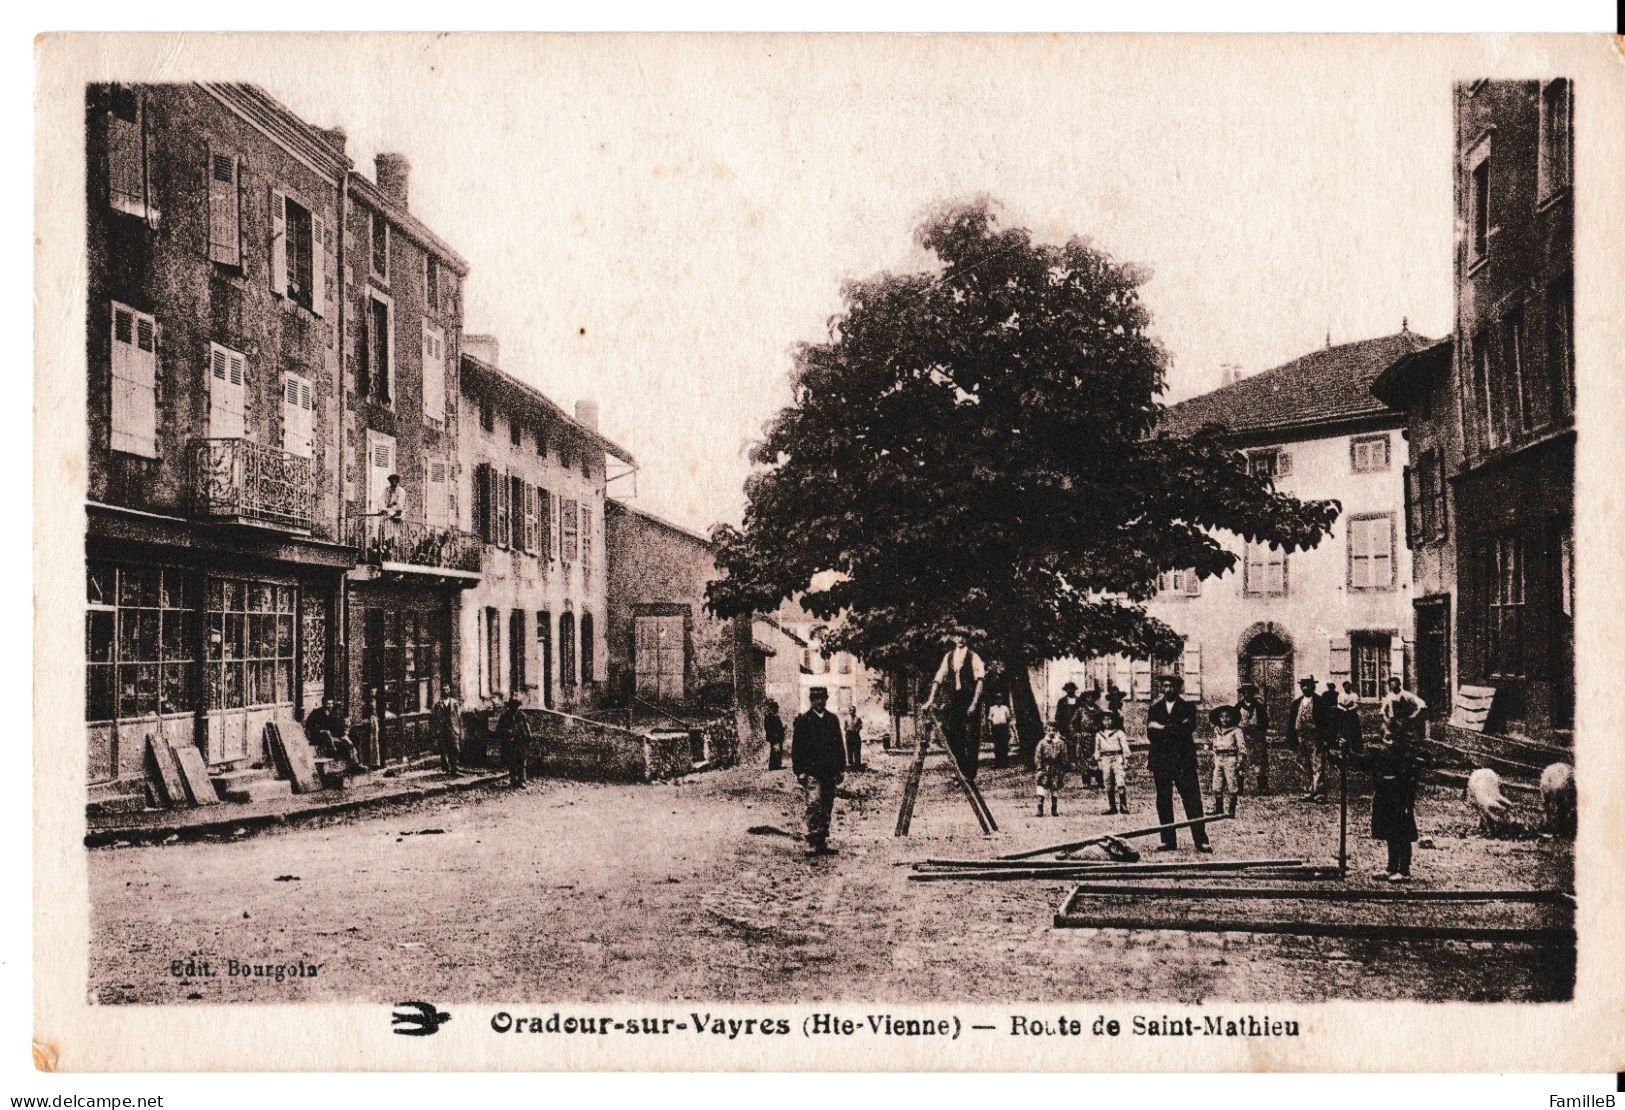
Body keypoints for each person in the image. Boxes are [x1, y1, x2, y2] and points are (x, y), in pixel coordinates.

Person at [1145, 674, 1212, 852]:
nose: (1168, 690)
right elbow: (1150, 734)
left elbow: (1186, 730)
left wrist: (1162, 728)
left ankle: (1201, 840)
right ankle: (1168, 840)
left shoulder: (1188, 707)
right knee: (1164, 800)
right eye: (1165, 686)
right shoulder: (1155, 708)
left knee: (1192, 800)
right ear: (1162, 688)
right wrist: (1173, 728)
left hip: (1184, 761)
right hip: (1161, 761)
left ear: (1179, 688)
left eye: (1172, 686)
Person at [1367, 703, 1423, 882]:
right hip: (1385, 795)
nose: (1388, 741)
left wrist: (1408, 802)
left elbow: (1410, 780)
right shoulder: (1383, 753)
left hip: (1400, 796)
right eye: (1385, 738)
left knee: (1403, 833)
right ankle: (1391, 867)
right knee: (1390, 833)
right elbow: (1366, 764)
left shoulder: (1405, 754)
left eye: (1391, 738)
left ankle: (1404, 870)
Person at [922, 629, 986, 784]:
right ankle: (961, 770)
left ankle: (969, 774)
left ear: (967, 639)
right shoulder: (949, 656)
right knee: (953, 735)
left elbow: (980, 680)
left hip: (970, 698)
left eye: (963, 637)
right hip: (955, 699)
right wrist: (930, 700)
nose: (960, 639)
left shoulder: (973, 656)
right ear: (953, 638)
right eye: (958, 636)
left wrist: (974, 703)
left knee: (971, 737)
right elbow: (938, 678)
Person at [791, 686, 846, 855]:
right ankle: (812, 840)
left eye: (821, 698)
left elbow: (839, 746)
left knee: (826, 805)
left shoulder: (832, 719)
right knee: (813, 804)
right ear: (810, 700)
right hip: (812, 771)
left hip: (829, 771)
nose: (818, 702)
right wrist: (799, 771)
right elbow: (797, 747)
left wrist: (841, 769)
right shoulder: (804, 720)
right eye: (815, 699)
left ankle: (822, 840)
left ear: (826, 699)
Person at [1286, 677, 1325, 802]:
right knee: (1304, 764)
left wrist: (1324, 739)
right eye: (1303, 685)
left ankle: (1319, 793)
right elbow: (1292, 722)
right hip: (1301, 737)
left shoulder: (1320, 702)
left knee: (1317, 764)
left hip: (1315, 737)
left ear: (1313, 687)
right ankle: (1308, 791)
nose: (1305, 688)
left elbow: (1327, 722)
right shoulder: (1296, 703)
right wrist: (1292, 739)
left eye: (1308, 685)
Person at [1208, 703, 1245, 818]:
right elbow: (1214, 744)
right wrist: (1213, 755)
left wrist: (1240, 760)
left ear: (1232, 718)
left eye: (1227, 716)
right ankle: (1218, 809)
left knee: (1231, 783)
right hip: (1219, 758)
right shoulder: (1217, 730)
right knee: (1217, 784)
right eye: (1222, 716)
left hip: (1230, 758)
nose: (1224, 719)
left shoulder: (1236, 731)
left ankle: (1231, 811)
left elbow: (1241, 746)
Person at [1093, 709, 1130, 815]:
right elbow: (1097, 749)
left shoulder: (1119, 733)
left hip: (1117, 758)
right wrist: (1098, 761)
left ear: (1114, 720)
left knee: (1120, 782)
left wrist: (1125, 759)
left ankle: (1123, 805)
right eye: (1104, 720)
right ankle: (1112, 807)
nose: (1107, 722)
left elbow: (1124, 747)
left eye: (1109, 719)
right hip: (1105, 759)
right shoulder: (1099, 734)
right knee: (1108, 782)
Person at [1236, 683, 1271, 793]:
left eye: (1249, 692)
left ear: (1253, 693)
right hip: (1242, 737)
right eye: (1244, 692)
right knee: (1240, 761)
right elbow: (1233, 723)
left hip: (1257, 737)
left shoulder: (1259, 707)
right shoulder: (1237, 707)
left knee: (1260, 761)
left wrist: (1258, 733)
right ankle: (1239, 787)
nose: (1247, 694)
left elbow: (1265, 722)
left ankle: (1262, 787)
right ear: (1242, 694)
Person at [496, 695, 533, 788]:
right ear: (510, 706)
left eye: (517, 706)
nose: (515, 708)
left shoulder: (522, 716)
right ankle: (513, 780)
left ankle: (522, 781)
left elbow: (528, 730)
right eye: (513, 706)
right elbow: (498, 730)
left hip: (520, 742)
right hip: (509, 742)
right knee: (512, 762)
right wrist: (507, 731)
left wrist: (528, 738)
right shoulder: (505, 716)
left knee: (522, 761)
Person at [1034, 726, 1069, 817]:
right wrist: (1039, 768)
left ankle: (1054, 809)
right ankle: (1039, 808)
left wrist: (1062, 768)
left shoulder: (1061, 743)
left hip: (1056, 768)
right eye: (1049, 730)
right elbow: (1038, 756)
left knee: (1054, 788)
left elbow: (1064, 757)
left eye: (1053, 730)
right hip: (1044, 767)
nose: (1051, 732)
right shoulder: (1042, 743)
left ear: (1057, 731)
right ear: (1045, 731)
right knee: (1041, 787)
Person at [1381, 677, 1427, 743]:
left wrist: (1414, 715)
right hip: (1392, 721)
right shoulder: (1389, 696)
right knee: (1391, 739)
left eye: (1395, 684)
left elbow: (1421, 703)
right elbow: (1382, 709)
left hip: (1404, 720)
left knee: (1404, 739)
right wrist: (1386, 719)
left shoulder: (1406, 695)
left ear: (1399, 684)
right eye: (1391, 685)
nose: (1393, 687)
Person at [430, 690, 464, 775]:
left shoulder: (454, 703)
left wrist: (460, 730)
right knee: (444, 749)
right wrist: (435, 729)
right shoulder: (437, 704)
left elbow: (459, 717)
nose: (446, 691)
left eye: (448, 690)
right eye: (444, 690)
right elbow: (433, 717)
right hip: (442, 729)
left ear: (449, 691)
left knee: (455, 748)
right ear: (442, 692)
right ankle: (447, 768)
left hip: (452, 728)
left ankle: (454, 767)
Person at [347, 698, 379, 772]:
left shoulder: (372, 717)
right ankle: (361, 763)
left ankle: (371, 763)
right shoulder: (364, 709)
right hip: (365, 727)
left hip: (370, 726)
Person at [986, 698, 1013, 770]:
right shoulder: (992, 708)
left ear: (1002, 700)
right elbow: (989, 719)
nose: (998, 701)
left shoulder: (1005, 708)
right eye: (997, 699)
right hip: (996, 728)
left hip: (1003, 727)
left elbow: (1008, 718)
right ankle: (997, 764)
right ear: (995, 700)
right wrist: (990, 730)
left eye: (1000, 699)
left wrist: (1009, 729)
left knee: (1004, 745)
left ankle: (1005, 763)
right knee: (997, 746)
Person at [1338, 680, 1364, 752]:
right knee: (1344, 730)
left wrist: (1349, 708)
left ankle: (1356, 747)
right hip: (1344, 715)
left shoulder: (1354, 695)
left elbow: (1356, 705)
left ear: (1350, 687)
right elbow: (1339, 704)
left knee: (1354, 730)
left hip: (1352, 715)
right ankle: (1345, 747)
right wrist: (1344, 708)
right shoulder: (1341, 695)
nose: (1347, 688)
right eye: (1345, 686)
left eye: (1348, 686)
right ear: (1343, 687)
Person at [763, 702, 786, 771]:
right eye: (776, 708)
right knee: (775, 750)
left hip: (778, 736)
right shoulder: (769, 716)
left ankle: (777, 765)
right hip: (774, 736)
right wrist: (774, 733)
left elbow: (778, 727)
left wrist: (783, 729)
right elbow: (767, 727)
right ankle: (773, 766)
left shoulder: (775, 716)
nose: (777, 709)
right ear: (772, 708)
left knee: (778, 750)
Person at [842, 704, 864, 770]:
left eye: (854, 710)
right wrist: (848, 731)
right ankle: (850, 764)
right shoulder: (846, 719)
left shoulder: (858, 719)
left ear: (855, 711)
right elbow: (845, 728)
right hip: (849, 736)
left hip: (856, 736)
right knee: (849, 750)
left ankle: (857, 765)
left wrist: (857, 729)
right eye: (851, 710)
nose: (852, 711)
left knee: (857, 750)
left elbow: (860, 726)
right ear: (849, 711)